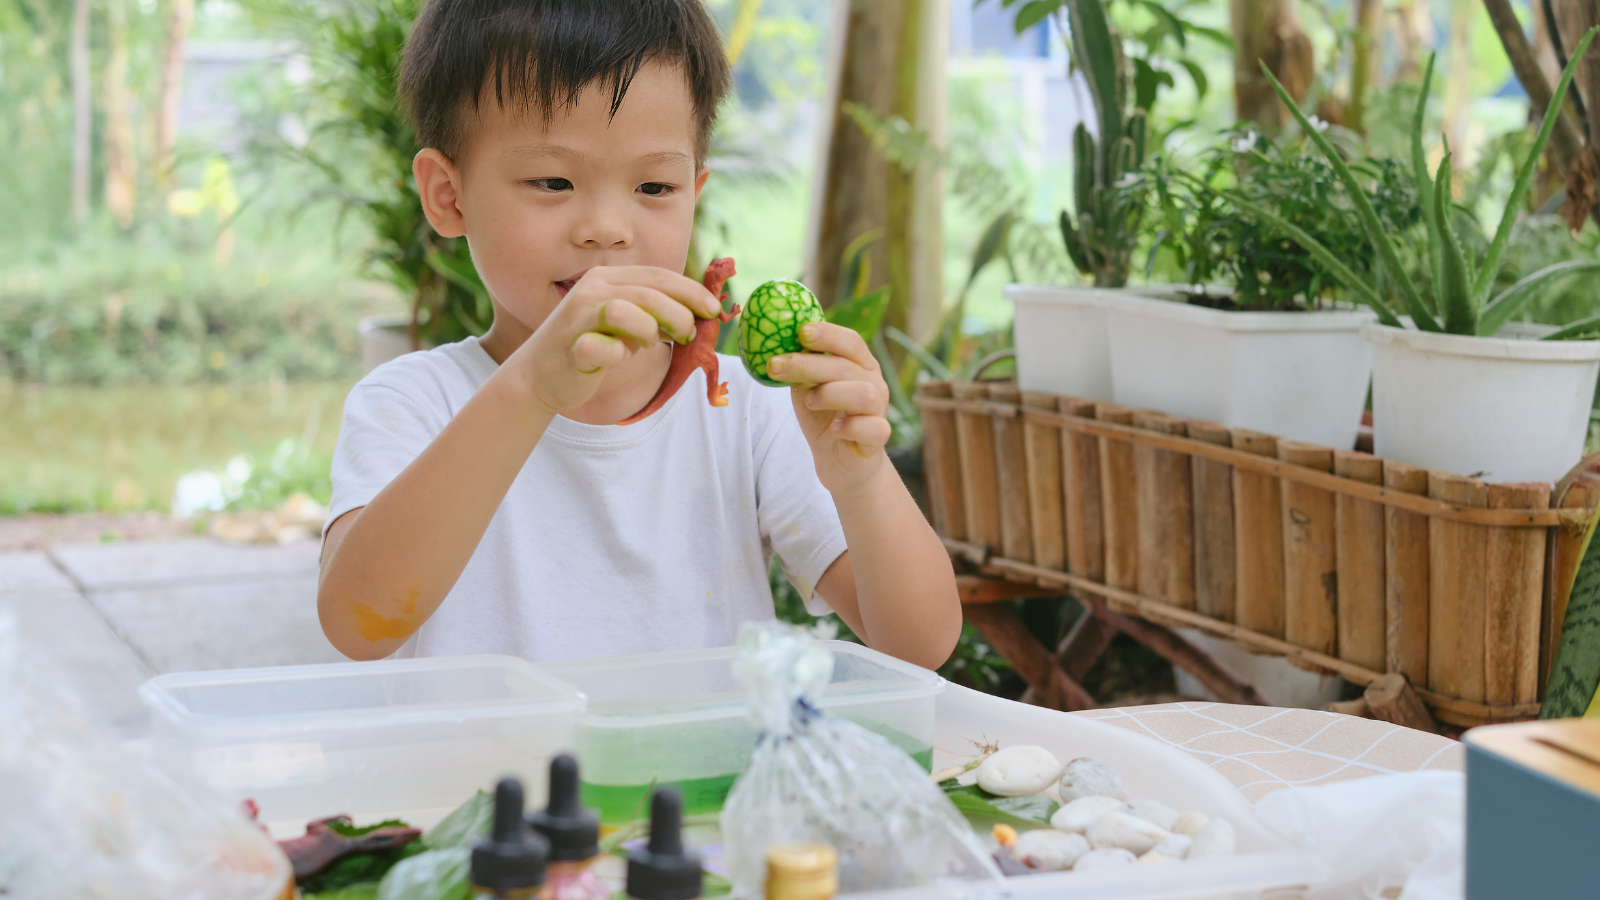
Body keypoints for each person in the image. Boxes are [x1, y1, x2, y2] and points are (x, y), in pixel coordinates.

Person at [316, 0, 960, 669]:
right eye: (553, 181)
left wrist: (859, 478)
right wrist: (532, 387)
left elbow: (919, 644)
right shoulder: (413, 402)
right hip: (490, 777)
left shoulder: (748, 412)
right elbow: (359, 624)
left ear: (694, 194)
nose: (607, 227)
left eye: (654, 186)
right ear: (448, 196)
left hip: (701, 776)